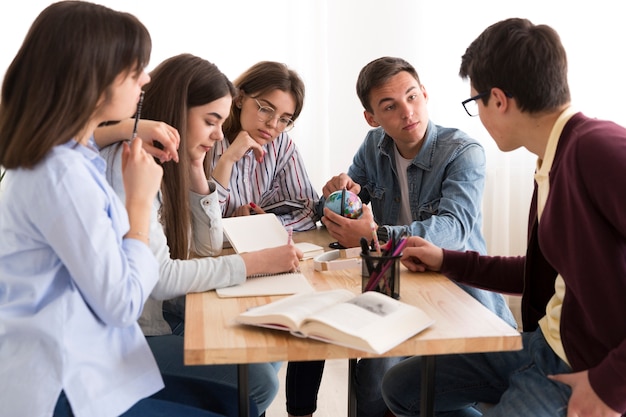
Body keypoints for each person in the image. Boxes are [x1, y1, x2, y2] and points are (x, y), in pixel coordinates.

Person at [0, 2, 239, 417]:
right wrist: (138, 203)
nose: (146, 80)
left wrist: (135, 127)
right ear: (93, 79)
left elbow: (89, 137)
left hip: (87, 362)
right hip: (61, 383)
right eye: (134, 71)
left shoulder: (68, 158)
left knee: (235, 397)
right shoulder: (62, 177)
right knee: (238, 396)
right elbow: (124, 302)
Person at [381, 18, 626, 417]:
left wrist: (610, 385)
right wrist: (447, 260)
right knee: (402, 388)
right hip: (543, 343)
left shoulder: (597, 147)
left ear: (498, 99)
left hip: (584, 368)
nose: (477, 113)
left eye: (474, 102)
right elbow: (542, 271)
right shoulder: (551, 159)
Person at [286, 57, 517, 417]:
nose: (407, 112)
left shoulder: (463, 152)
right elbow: (351, 205)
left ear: (425, 94)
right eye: (390, 106)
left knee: (398, 382)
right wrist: (335, 197)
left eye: (412, 97)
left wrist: (376, 235)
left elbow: (452, 231)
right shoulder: (374, 144)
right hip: (393, 286)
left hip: (456, 292)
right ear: (372, 117)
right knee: (372, 371)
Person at [96, 53, 303, 416]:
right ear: (177, 110)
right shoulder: (131, 163)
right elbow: (160, 278)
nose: (218, 134)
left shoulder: (168, 160)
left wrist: (195, 169)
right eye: (211, 121)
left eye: (221, 123)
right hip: (132, 334)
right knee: (260, 382)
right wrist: (254, 263)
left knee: (267, 351)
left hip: (164, 317)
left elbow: (203, 250)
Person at [206, 60, 319, 231]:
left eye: (284, 119)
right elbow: (203, 227)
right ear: (240, 99)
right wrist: (227, 160)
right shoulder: (206, 141)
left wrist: (265, 225)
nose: (273, 124)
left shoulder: (281, 146)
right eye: (265, 109)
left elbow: (310, 210)